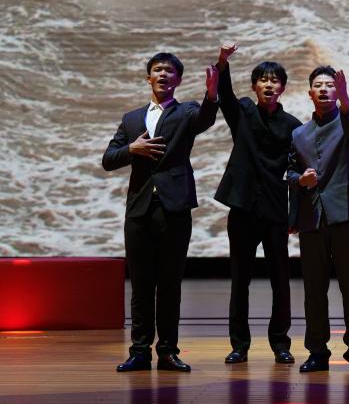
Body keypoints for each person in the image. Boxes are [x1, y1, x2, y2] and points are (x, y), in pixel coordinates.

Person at [103, 52, 218, 372]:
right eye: (157, 70)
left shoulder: (186, 111)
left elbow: (205, 119)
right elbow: (108, 159)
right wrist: (132, 149)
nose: (163, 74)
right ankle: (139, 351)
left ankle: (167, 351)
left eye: (169, 71)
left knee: (169, 284)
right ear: (148, 78)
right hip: (139, 210)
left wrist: (212, 95)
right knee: (141, 285)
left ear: (178, 80)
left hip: (174, 208)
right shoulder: (131, 118)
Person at [212, 43, 301, 365]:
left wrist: (295, 216)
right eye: (263, 80)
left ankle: (281, 344)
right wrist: (223, 62)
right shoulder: (244, 113)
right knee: (240, 281)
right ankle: (239, 345)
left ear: (283, 88)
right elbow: (224, 95)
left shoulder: (293, 126)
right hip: (243, 209)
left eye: (275, 80)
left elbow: (297, 173)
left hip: (275, 211)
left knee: (281, 281)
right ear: (254, 86)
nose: (269, 84)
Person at [287, 66, 349, 374]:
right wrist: (300, 180)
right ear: (310, 93)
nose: (324, 89)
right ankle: (317, 351)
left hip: (346, 216)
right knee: (313, 290)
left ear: (337, 92)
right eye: (318, 85)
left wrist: (346, 98)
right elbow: (290, 172)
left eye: (330, 85)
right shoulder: (299, 134)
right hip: (312, 220)